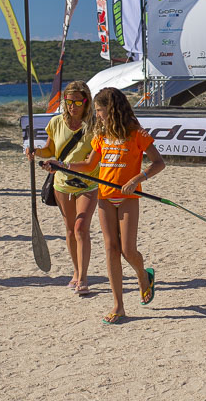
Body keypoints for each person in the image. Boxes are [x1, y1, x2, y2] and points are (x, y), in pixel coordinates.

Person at [51, 87, 163, 325]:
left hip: (128, 198)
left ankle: (143, 275)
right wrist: (62, 165)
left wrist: (137, 179)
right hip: (105, 196)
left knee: (128, 251)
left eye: (100, 110)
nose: (97, 115)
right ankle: (118, 306)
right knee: (111, 249)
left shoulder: (136, 133)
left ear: (112, 109)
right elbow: (89, 164)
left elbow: (158, 163)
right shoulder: (101, 134)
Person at [26, 81, 97, 293]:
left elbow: (92, 161)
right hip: (62, 184)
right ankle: (76, 271)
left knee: (81, 227)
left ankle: (83, 277)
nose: (73, 106)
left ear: (86, 102)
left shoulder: (94, 126)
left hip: (87, 183)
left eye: (78, 102)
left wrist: (63, 164)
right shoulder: (56, 122)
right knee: (70, 229)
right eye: (69, 102)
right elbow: (50, 150)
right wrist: (35, 152)